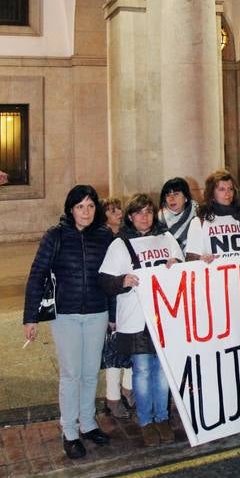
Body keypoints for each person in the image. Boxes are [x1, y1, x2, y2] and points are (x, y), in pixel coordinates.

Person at [23, 185, 113, 460]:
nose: (86, 212)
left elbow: (112, 277)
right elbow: (37, 274)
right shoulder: (56, 235)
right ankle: (70, 431)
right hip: (66, 315)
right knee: (71, 374)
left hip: (97, 312)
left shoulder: (105, 236)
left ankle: (87, 423)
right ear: (70, 209)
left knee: (89, 373)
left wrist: (114, 315)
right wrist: (30, 317)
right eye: (80, 206)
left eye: (90, 206)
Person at [99, 193, 183, 448]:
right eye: (138, 213)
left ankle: (162, 418)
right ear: (130, 217)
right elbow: (104, 280)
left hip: (165, 317)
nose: (144, 217)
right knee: (143, 371)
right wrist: (121, 281)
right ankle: (146, 420)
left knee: (162, 372)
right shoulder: (120, 244)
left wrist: (176, 263)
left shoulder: (166, 238)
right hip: (137, 319)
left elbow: (183, 270)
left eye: (148, 211)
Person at [100, 198, 133, 420]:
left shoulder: (126, 236)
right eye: (112, 211)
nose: (118, 213)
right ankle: (112, 398)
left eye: (119, 209)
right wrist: (111, 315)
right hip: (113, 303)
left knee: (131, 350)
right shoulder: (106, 240)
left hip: (128, 305)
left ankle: (127, 390)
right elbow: (107, 280)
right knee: (113, 355)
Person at [185, 169, 240, 261]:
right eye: (222, 189)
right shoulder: (200, 221)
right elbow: (191, 257)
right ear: (212, 193)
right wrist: (201, 258)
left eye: (230, 189)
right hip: (214, 273)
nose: (227, 193)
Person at [158, 177, 198, 254]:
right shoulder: (160, 218)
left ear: (186, 197)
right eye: (168, 195)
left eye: (176, 194)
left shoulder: (197, 210)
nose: (171, 199)